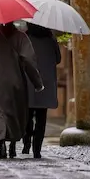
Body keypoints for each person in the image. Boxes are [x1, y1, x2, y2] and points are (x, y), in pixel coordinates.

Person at [0, 21, 43, 159]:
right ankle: (13, 143)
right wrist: (37, 83)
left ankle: (1, 143)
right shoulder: (21, 37)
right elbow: (29, 60)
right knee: (14, 112)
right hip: (15, 81)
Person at [21, 22, 61, 159]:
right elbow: (58, 59)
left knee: (27, 115)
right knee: (41, 117)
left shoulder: (25, 37)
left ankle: (26, 143)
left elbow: (20, 57)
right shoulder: (50, 39)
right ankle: (37, 149)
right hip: (46, 81)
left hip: (29, 80)